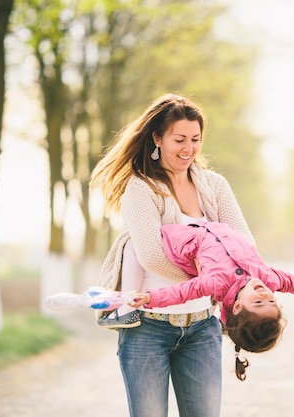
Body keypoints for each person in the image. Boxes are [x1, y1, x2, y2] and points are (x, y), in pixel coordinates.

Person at [89, 93, 253, 417]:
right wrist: (212, 278)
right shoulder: (141, 188)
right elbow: (151, 255)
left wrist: (221, 282)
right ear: (157, 138)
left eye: (195, 139)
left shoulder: (215, 186)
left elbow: (244, 246)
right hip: (147, 330)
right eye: (179, 139)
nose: (188, 148)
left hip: (202, 329)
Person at [99, 221, 294, 380]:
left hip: (185, 239)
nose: (265, 296)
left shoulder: (217, 283)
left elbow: (184, 291)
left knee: (134, 244)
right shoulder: (268, 280)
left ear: (238, 307)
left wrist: (149, 298)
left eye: (259, 303)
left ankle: (124, 309)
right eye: (272, 302)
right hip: (218, 229)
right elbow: (293, 282)